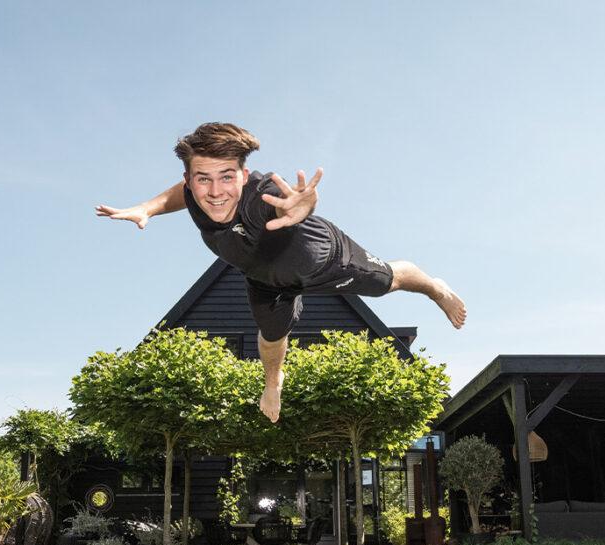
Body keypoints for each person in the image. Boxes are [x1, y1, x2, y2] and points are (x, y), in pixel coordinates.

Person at [96, 122, 466, 423]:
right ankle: (273, 382)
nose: (215, 192)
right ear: (190, 179)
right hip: (265, 279)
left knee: (391, 281)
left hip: (322, 261)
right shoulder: (194, 193)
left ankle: (435, 288)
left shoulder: (262, 194)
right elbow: (178, 193)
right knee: (271, 336)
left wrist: (299, 206)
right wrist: (147, 208)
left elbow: (286, 202)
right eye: (202, 179)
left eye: (226, 177)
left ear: (243, 176)